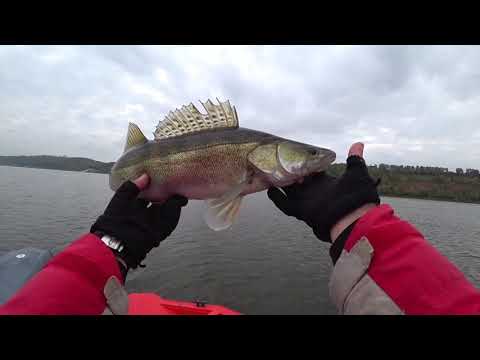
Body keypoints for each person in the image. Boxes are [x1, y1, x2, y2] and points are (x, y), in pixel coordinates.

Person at [1, 142, 479, 315]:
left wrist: (110, 246)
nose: (320, 160)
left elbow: (221, 208)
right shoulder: (252, 160)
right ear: (268, 155)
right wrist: (359, 224)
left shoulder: (258, 167)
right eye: (308, 154)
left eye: (315, 156)